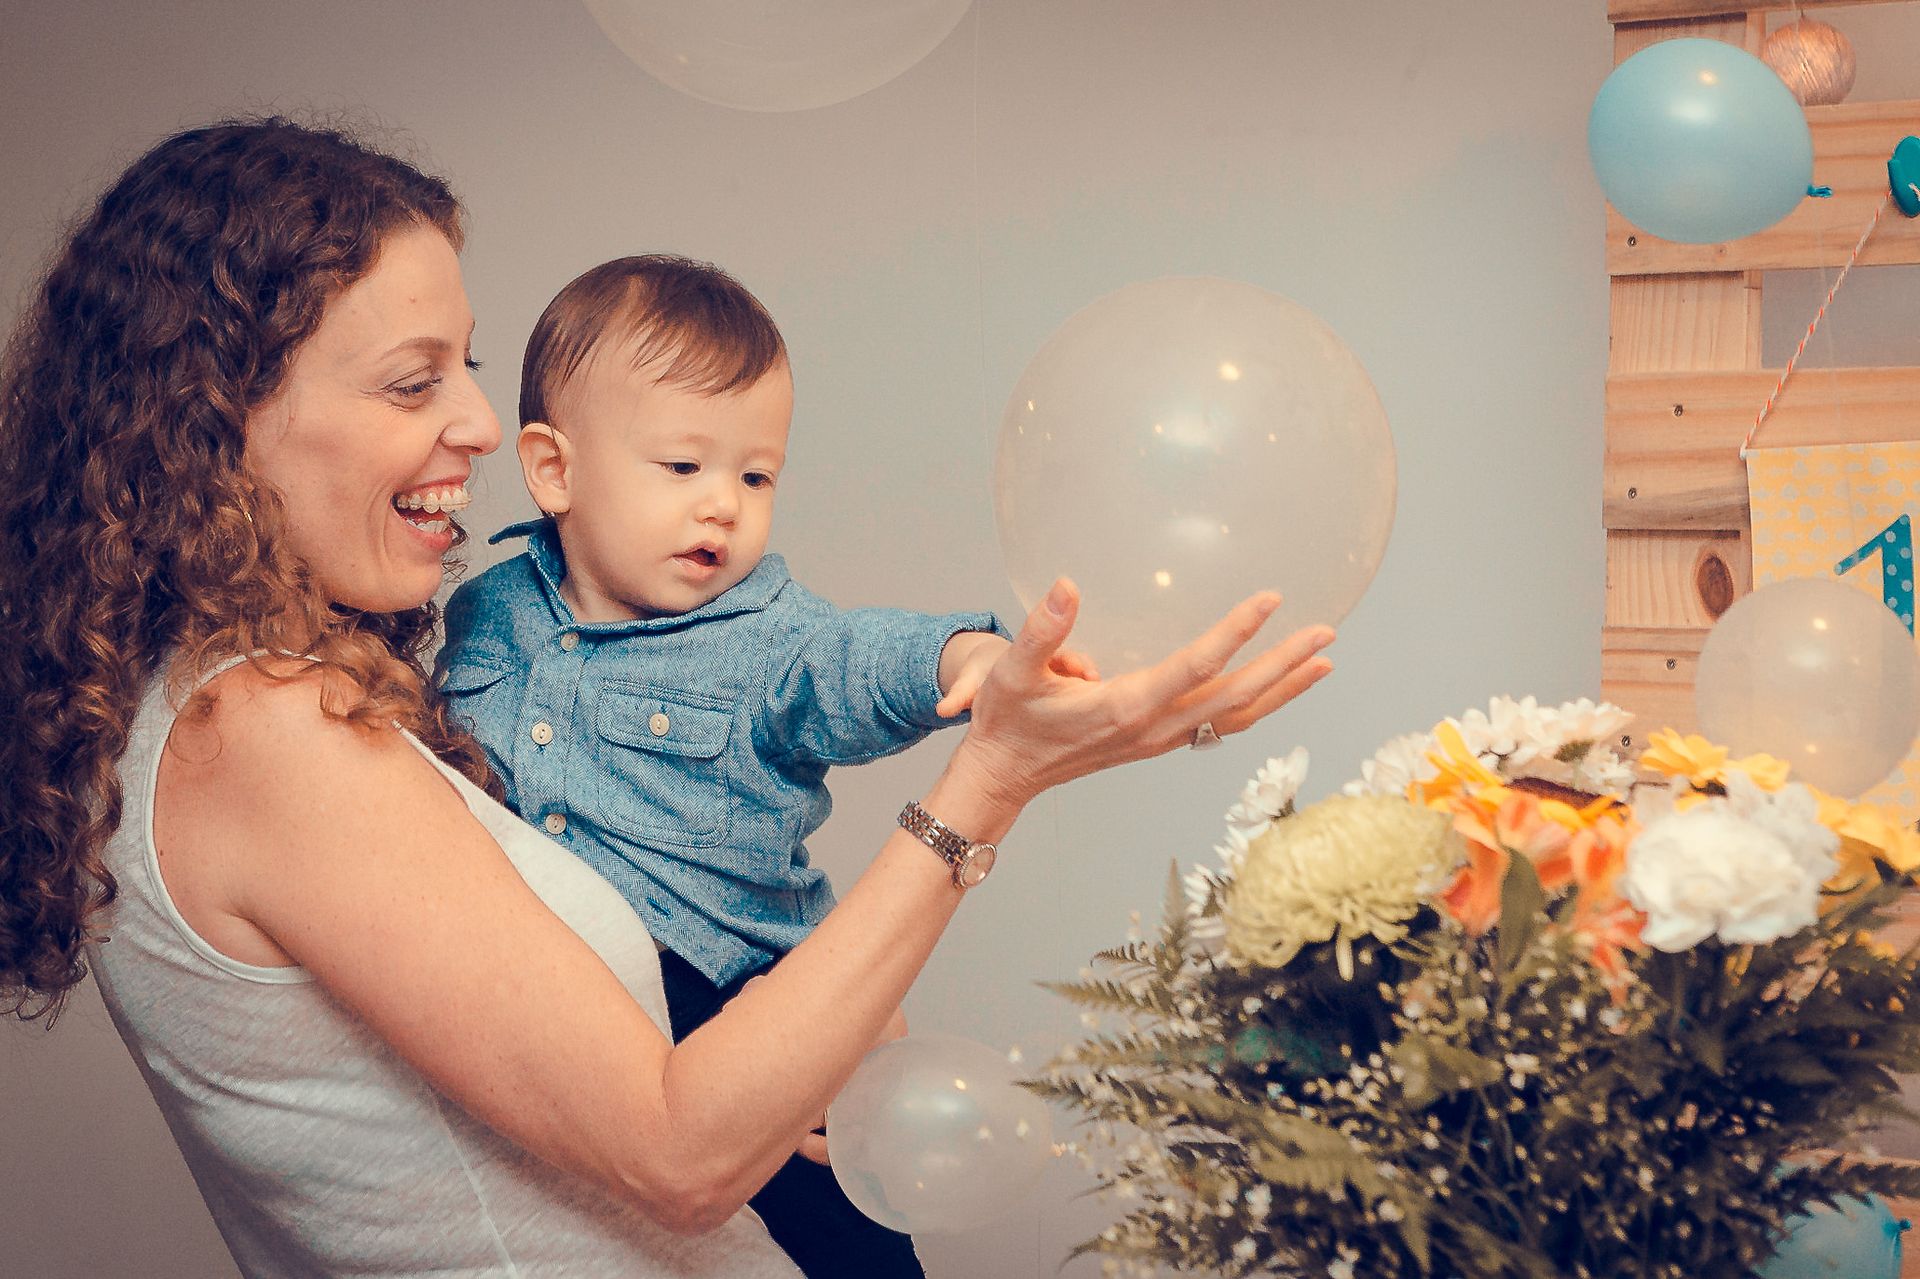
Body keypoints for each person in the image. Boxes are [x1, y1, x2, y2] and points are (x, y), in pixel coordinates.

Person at [0, 116, 1336, 1279]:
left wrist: (808, 1017)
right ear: (212, 414)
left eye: (468, 365)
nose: (478, 423)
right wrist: (989, 781)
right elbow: (682, 1149)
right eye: (414, 380)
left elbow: (835, 662)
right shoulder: (263, 729)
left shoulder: (246, 702)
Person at [438, 254, 1084, 1277]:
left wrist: (964, 657)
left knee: (839, 1237)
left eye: (755, 476)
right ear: (555, 470)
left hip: (738, 995)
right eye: (682, 467)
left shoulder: (766, 636)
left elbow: (854, 659)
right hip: (573, 1014)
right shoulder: (486, 612)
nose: (725, 506)